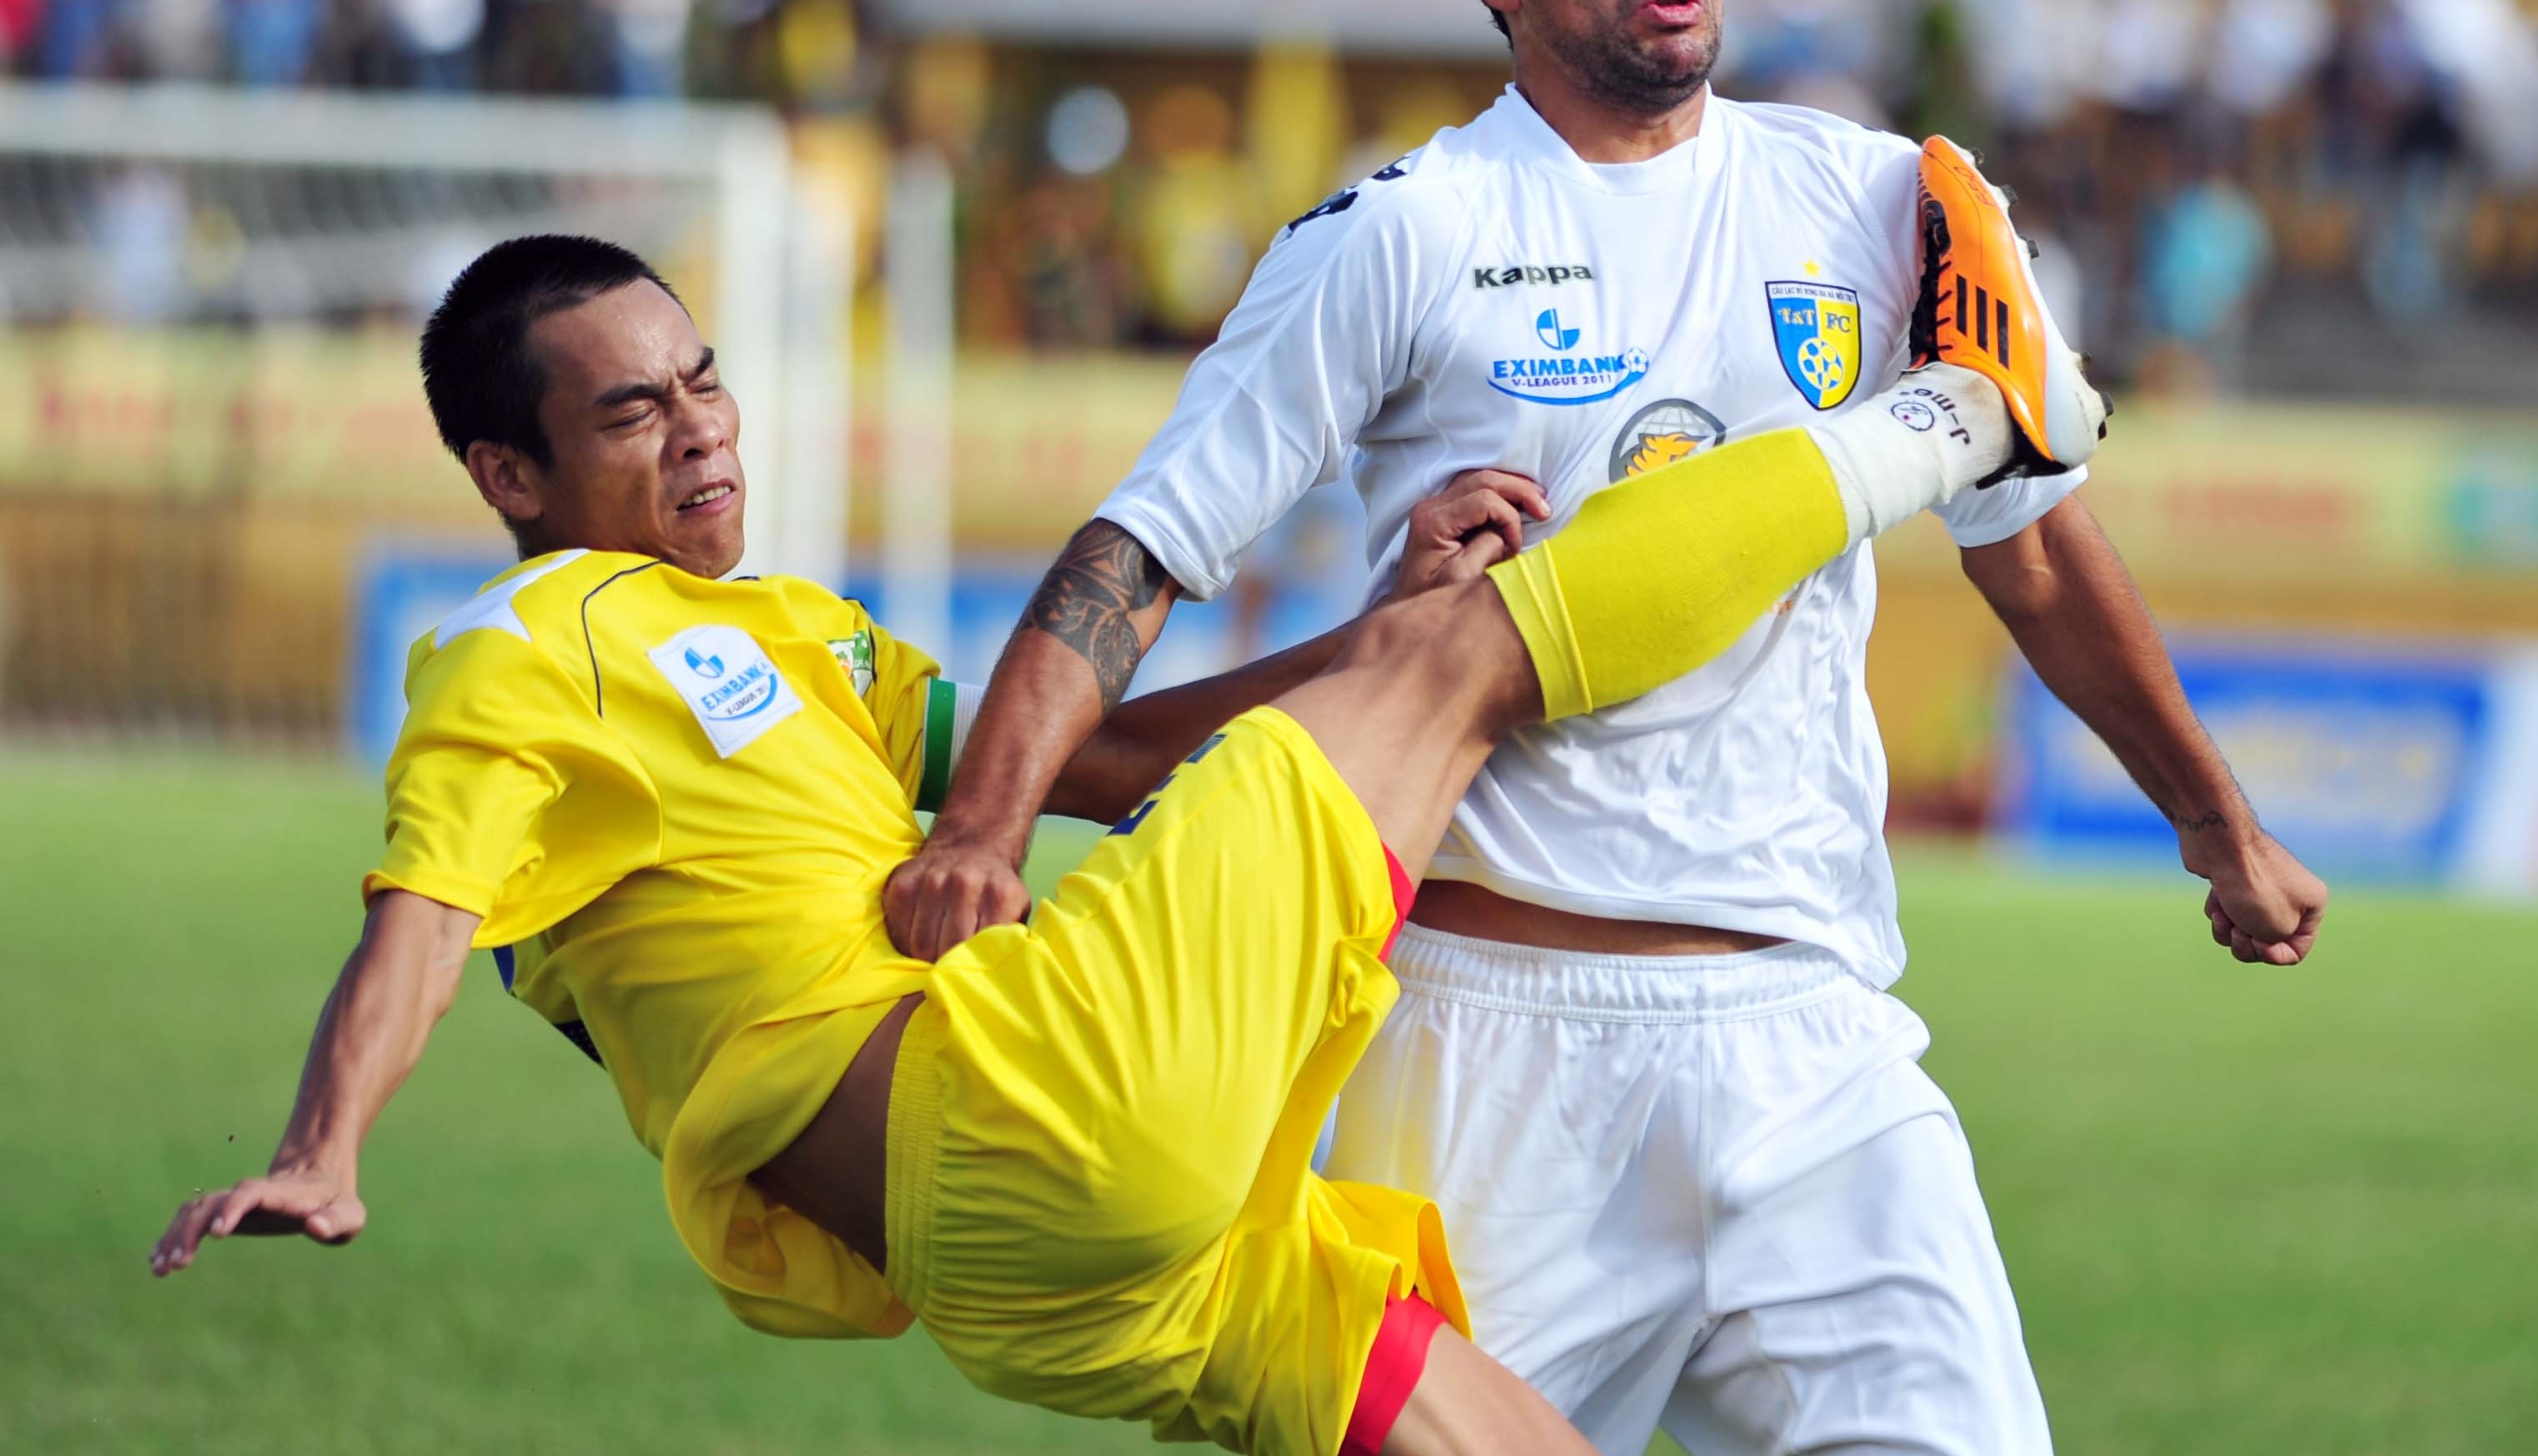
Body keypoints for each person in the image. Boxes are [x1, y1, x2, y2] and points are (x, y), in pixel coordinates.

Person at [890, 0, 2328, 1456]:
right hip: (1480, 1054)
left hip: (1809, 1037)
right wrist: (984, 823)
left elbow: (2027, 540)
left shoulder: (1885, 202)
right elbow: (1138, 555)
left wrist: (2211, 818)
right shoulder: (1398, 234)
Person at [150, 195, 2096, 1456]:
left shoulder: (780, 634)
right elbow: (419, 906)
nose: (706, 426)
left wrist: (1368, 639)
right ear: (507, 471)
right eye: (632, 413)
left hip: (1050, 1278)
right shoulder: (513, 647)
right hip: (1011, 1105)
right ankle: (1962, 412)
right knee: (1474, 668)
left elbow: (1094, 760)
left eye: (706, 375)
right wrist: (322, 1144)